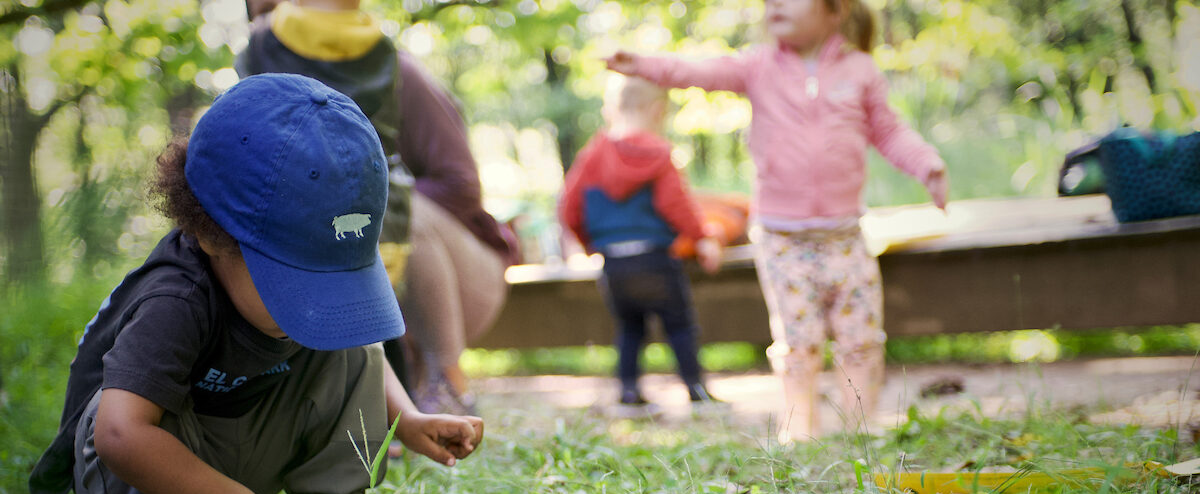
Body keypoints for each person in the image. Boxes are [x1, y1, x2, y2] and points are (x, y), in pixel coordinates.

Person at [26, 74, 484, 494]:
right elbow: (121, 436)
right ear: (213, 236)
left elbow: (359, 347)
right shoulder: (177, 297)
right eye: (297, 283)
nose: (315, 305)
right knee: (115, 412)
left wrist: (407, 419)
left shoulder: (296, 303)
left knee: (352, 344)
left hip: (252, 450)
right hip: (161, 483)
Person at [606, 0, 948, 441]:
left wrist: (928, 165)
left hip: (845, 235)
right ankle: (801, 429)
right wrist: (643, 65)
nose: (775, 4)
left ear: (834, 10)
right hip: (783, 238)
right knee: (798, 340)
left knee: (860, 337)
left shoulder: (860, 71)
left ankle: (860, 427)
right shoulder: (758, 68)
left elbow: (888, 130)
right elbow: (698, 71)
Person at [236, 0, 519, 426]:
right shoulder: (258, 71)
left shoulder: (397, 72)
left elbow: (461, 185)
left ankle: (447, 383)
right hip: (343, 262)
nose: (267, 19)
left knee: (381, 204)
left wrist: (355, 195)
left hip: (457, 275)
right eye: (259, 12)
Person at [559, 74, 725, 414]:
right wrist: (702, 237)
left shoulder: (591, 156)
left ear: (611, 109)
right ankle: (696, 391)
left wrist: (588, 242)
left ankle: (630, 393)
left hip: (615, 264)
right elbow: (675, 204)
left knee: (630, 328)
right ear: (657, 109)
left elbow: (568, 208)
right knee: (679, 325)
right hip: (656, 259)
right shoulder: (659, 154)